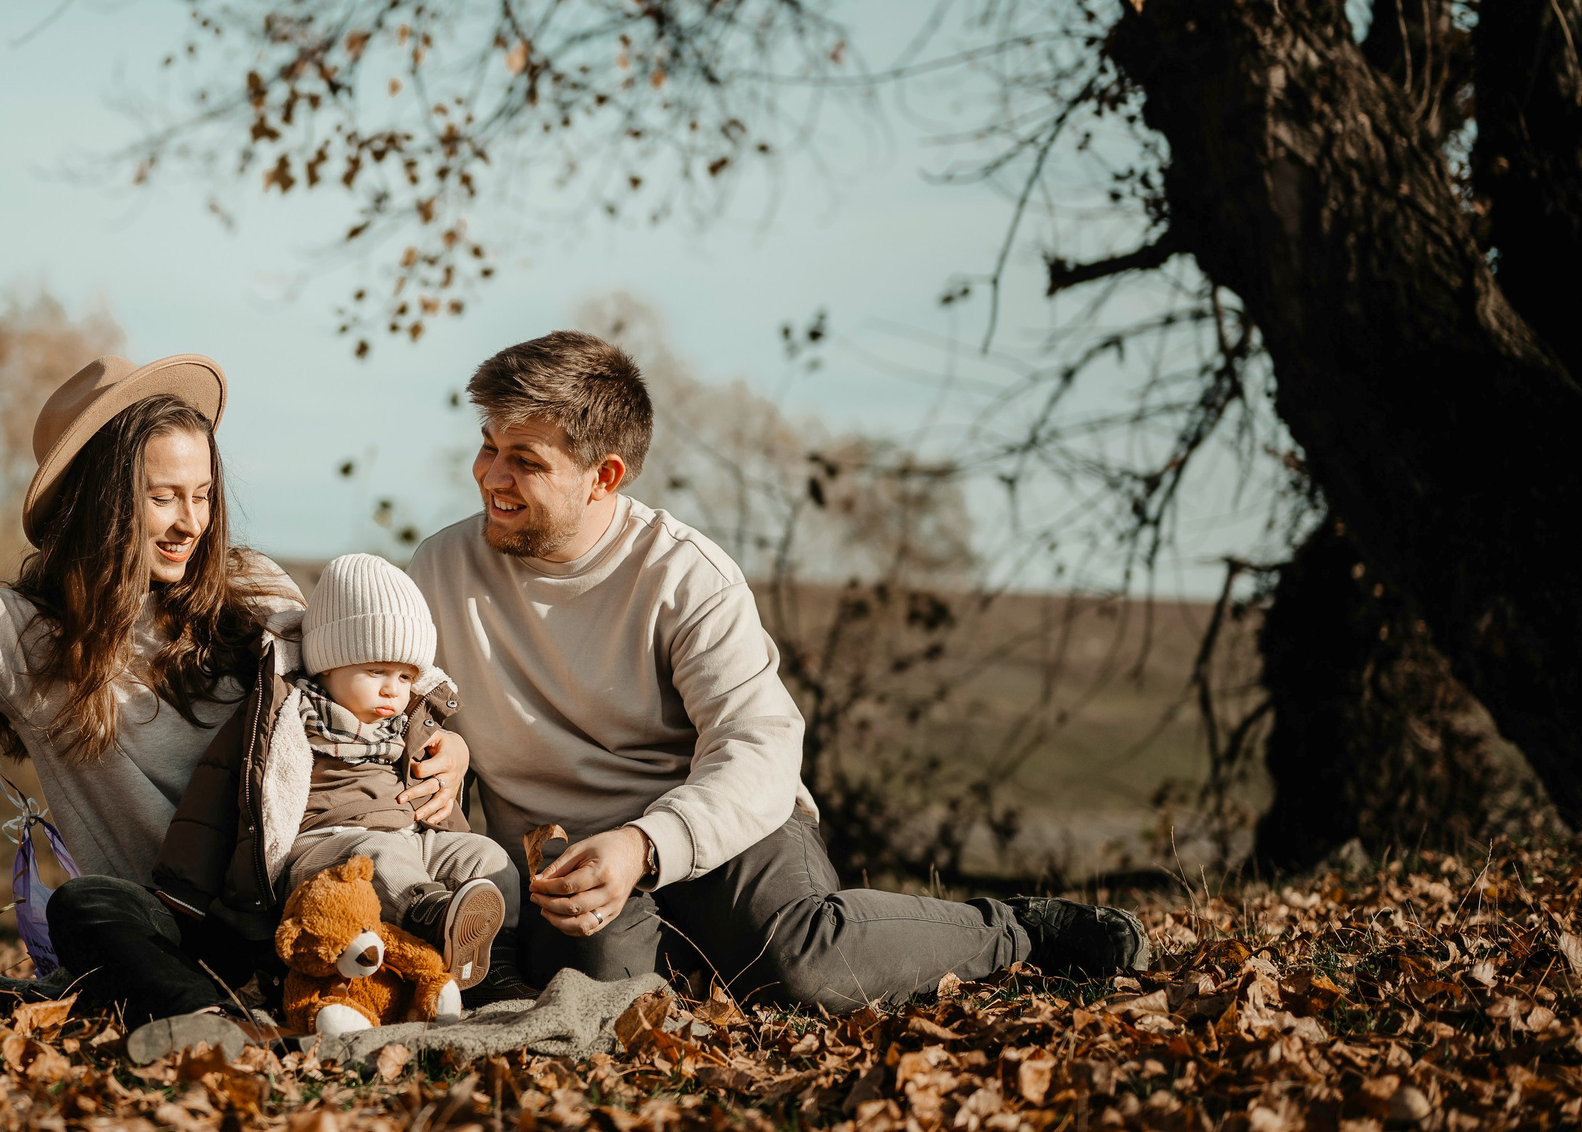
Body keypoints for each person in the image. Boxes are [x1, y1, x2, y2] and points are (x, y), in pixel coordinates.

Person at [0, 310, 470, 1056]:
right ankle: (210, 1023)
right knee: (86, 907)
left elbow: (366, 690)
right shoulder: (35, 648)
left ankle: (402, 987)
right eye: (162, 496)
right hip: (183, 933)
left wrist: (448, 752)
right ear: (102, 499)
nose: (189, 522)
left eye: (202, 495)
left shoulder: (259, 599)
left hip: (319, 906)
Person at [409, 330, 1149, 1009]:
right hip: (569, 858)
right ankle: (702, 961)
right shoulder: (438, 569)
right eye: (489, 446)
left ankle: (1016, 931)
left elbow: (759, 749)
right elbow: (413, 714)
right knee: (603, 995)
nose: (490, 477)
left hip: (722, 830)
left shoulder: (684, 576)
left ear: (604, 476)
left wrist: (647, 843)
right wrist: (454, 752)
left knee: (804, 966)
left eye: (525, 462)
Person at [150, 554, 518, 1018]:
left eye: (405, 676)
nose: (393, 690)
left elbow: (438, 795)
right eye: (376, 672)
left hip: (410, 839)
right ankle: (432, 916)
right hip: (326, 848)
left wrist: (453, 829)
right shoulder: (284, 714)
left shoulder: (407, 725)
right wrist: (183, 888)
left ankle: (491, 963)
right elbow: (217, 791)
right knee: (375, 857)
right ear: (327, 666)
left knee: (485, 856)